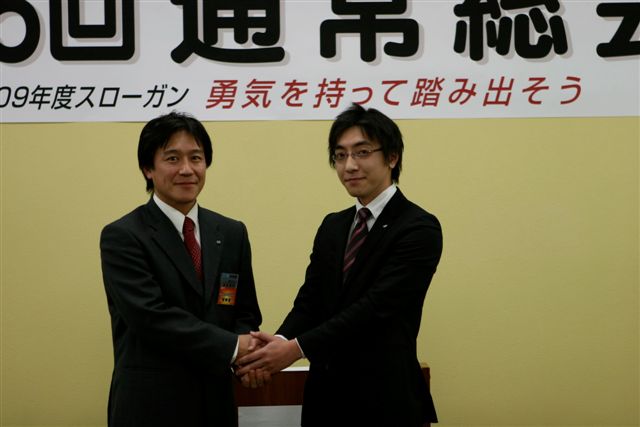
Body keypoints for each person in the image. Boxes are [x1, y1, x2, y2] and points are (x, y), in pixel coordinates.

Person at [236, 103, 443, 427]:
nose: (350, 165)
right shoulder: (333, 225)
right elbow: (311, 300)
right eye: (340, 155)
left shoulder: (418, 227)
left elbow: (374, 308)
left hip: (386, 398)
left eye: (362, 152)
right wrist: (279, 341)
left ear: (392, 157)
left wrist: (295, 349)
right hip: (326, 398)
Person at [100, 111, 263, 427]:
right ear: (148, 168)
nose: (187, 169)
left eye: (196, 158)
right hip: (150, 406)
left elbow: (244, 311)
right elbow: (151, 317)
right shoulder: (123, 235)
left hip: (216, 403)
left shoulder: (232, 232)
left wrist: (249, 356)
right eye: (172, 158)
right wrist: (233, 347)